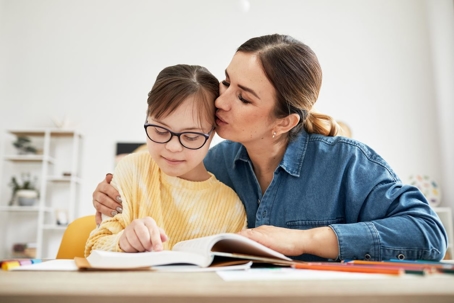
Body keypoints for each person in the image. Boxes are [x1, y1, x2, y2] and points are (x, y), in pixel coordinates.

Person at [92, 34, 447, 262]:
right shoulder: (218, 161)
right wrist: (111, 193)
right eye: (226, 82)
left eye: (243, 97)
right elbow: (154, 174)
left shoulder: (347, 162)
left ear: (284, 123)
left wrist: (306, 239)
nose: (221, 101)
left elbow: (429, 235)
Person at [85, 64, 246, 256]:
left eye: (191, 137)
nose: (173, 147)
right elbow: (94, 246)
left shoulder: (229, 206)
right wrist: (122, 241)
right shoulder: (133, 170)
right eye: (160, 131)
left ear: (213, 133)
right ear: (147, 118)